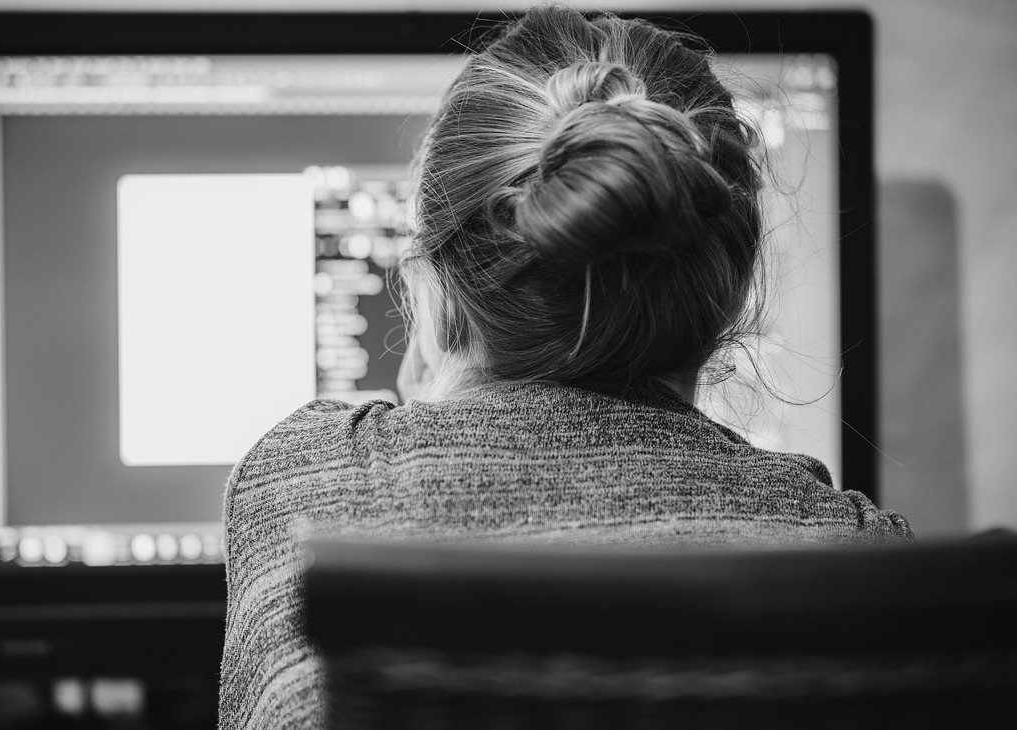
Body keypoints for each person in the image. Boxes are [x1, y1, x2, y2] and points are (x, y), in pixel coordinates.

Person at [219, 7, 912, 729]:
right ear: (732, 294)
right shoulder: (865, 568)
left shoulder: (306, 485)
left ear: (429, 284)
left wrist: (423, 428)